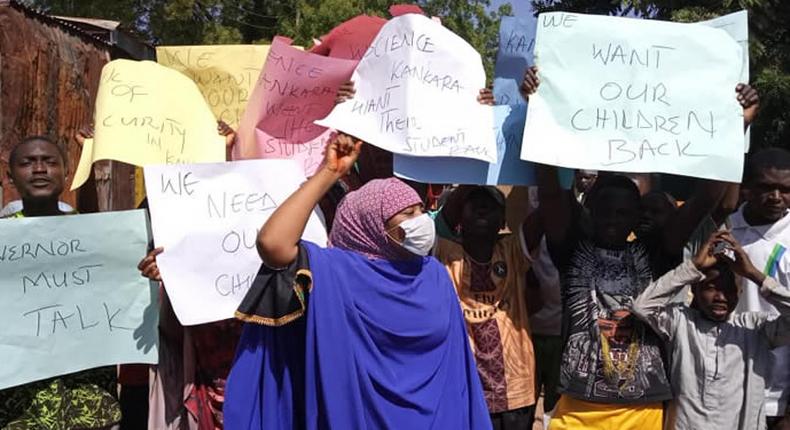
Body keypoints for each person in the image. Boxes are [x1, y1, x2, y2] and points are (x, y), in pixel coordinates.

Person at [223, 134, 491, 429]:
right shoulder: (336, 273)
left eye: (421, 211)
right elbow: (273, 244)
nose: (422, 220)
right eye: (407, 214)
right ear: (370, 226)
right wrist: (329, 173)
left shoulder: (434, 276)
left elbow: (457, 371)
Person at [0, 136, 121, 429]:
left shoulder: (102, 240)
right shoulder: (3, 240)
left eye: (49, 162)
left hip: (91, 404)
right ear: (10, 176)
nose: (39, 169)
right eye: (27, 163)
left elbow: (125, 292)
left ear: (66, 173)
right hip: (19, 409)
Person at [138, 120, 244, 430]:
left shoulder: (250, 204)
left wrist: (224, 157)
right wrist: (164, 277)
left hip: (250, 349)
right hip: (199, 356)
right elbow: (169, 330)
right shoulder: (165, 209)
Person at [632, 231, 790, 430]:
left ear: (740, 293)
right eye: (711, 287)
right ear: (695, 290)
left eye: (729, 290)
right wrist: (692, 267)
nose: (720, 297)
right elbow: (642, 306)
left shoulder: (754, 327)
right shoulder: (681, 322)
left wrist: (753, 274)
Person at [433, 186, 538, 429]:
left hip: (515, 389)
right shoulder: (446, 254)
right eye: (474, 202)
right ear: (460, 216)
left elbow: (545, 215)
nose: (482, 207)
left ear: (503, 220)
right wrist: (471, 175)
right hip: (465, 388)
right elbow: (441, 220)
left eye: (490, 205)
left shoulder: (512, 251)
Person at [729, 147, 790, 428]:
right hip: (726, 383)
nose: (776, 198)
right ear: (746, 190)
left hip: (778, 391)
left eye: (785, 189)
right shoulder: (724, 229)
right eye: (766, 188)